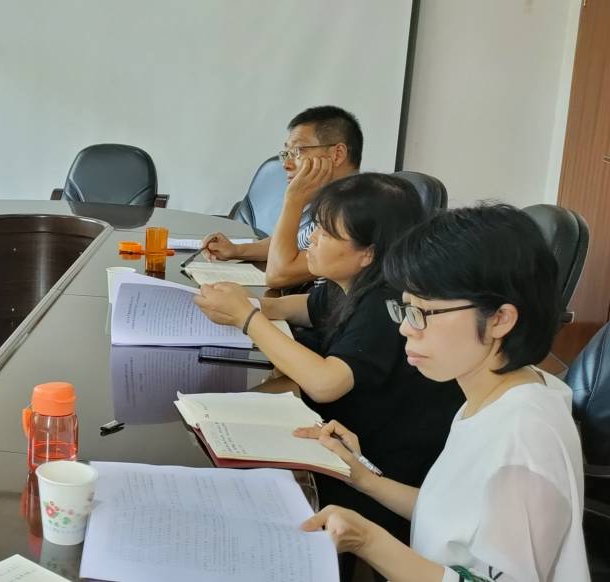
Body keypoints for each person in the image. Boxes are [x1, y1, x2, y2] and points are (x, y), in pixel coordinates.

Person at [297, 205, 588, 581]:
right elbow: (454, 517)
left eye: (424, 312)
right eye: (405, 309)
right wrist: (364, 478)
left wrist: (369, 541)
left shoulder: (524, 441)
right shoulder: (492, 393)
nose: (406, 328)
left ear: (500, 319)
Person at [193, 173, 464, 553]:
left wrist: (246, 317)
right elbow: (303, 307)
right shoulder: (352, 283)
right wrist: (247, 304)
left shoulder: (386, 302)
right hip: (344, 438)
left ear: (367, 253)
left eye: (326, 232)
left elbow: (325, 383)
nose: (312, 239)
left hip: (380, 470)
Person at [201, 105, 362, 289]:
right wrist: (236, 250)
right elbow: (293, 246)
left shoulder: (354, 214)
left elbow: (278, 274)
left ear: (337, 154)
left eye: (298, 151)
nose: (286, 164)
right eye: (287, 153)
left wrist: (293, 199)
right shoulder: (334, 203)